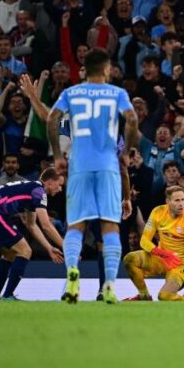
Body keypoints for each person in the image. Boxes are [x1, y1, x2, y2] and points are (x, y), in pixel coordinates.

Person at [47, 49, 139, 304]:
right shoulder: (117, 93)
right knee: (110, 226)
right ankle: (109, 285)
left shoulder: (70, 93)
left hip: (79, 165)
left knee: (76, 225)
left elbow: (52, 119)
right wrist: (127, 152)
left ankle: (71, 278)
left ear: (84, 69)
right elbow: (131, 119)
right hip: (108, 165)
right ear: (107, 68)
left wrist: (57, 155)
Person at [0, 169, 65, 300]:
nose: (61, 189)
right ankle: (8, 295)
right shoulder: (39, 192)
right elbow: (46, 226)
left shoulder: (31, 189)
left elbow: (32, 225)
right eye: (60, 184)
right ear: (50, 182)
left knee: (10, 253)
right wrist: (67, 247)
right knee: (25, 251)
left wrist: (49, 248)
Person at [121, 186, 184, 301]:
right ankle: (144, 296)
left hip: (181, 264)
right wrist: (162, 253)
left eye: (183, 200)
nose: (181, 204)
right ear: (168, 202)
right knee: (129, 259)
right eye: (177, 200)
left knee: (164, 296)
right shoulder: (158, 212)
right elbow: (144, 240)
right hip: (162, 258)